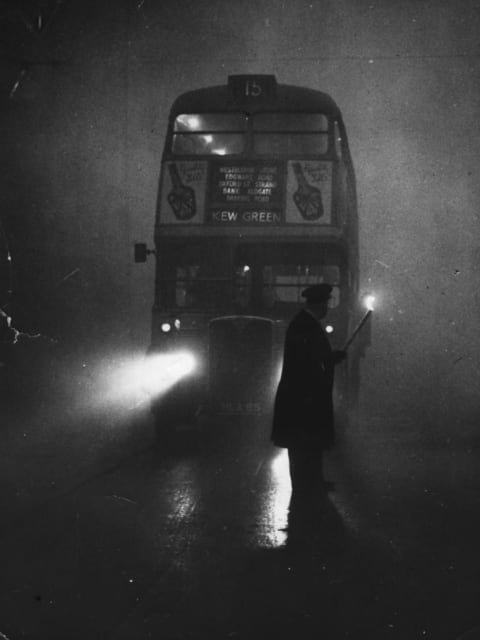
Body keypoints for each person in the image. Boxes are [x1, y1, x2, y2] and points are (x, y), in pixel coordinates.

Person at [271, 283, 346, 498]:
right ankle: (307, 485)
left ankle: (312, 482)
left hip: (303, 396)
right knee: (304, 445)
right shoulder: (305, 325)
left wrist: (330, 358)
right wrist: (331, 359)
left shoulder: (304, 323)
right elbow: (308, 360)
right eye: (326, 304)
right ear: (320, 304)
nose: (328, 308)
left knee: (306, 444)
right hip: (304, 397)